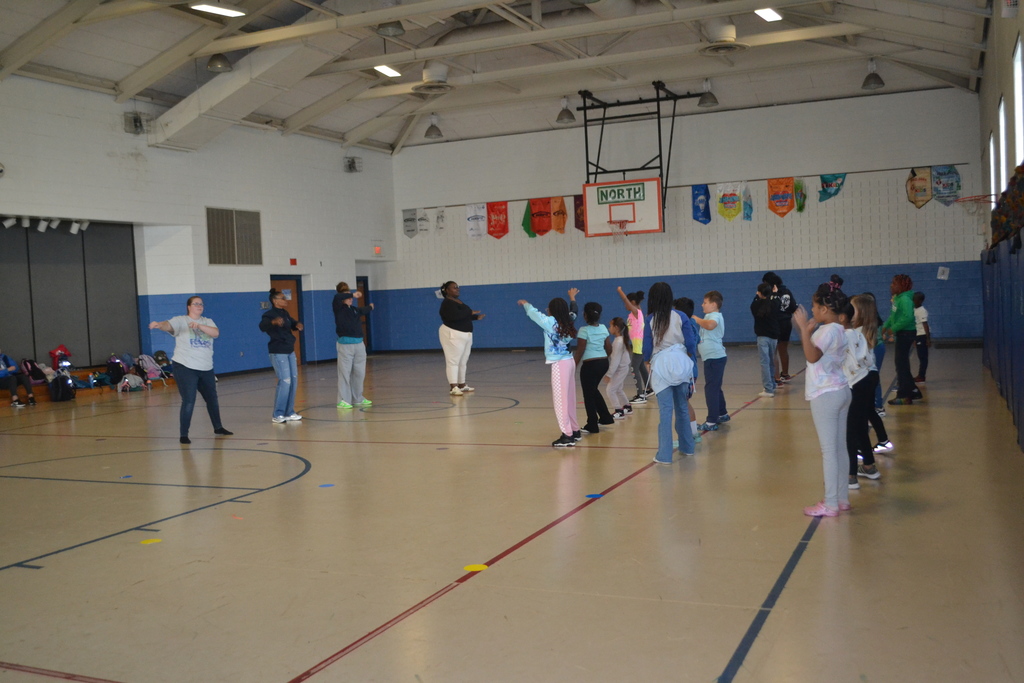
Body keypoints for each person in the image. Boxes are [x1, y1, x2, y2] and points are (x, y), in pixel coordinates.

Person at [792, 282, 852, 517]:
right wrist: (807, 331)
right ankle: (842, 498)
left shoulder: (826, 331)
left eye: (815, 306)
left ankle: (830, 503)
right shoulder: (839, 329)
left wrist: (804, 330)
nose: (812, 309)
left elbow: (812, 356)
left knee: (829, 450)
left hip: (825, 394)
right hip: (841, 390)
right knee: (839, 448)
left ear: (825, 309)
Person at [148, 296, 232, 445]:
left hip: (206, 367)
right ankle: (184, 434)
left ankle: (218, 427)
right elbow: (168, 325)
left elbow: (215, 333)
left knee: (212, 398)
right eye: (196, 304)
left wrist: (199, 326)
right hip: (185, 367)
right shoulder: (181, 320)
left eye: (201, 304)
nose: (199, 306)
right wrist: (159, 325)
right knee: (189, 400)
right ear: (189, 306)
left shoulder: (208, 321)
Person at [518, 289, 579, 447]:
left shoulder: (549, 322)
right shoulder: (569, 319)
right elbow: (574, 310)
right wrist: (572, 298)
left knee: (560, 401)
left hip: (559, 364)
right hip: (570, 361)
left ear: (552, 311)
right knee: (570, 398)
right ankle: (575, 430)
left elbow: (534, 314)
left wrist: (526, 304)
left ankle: (567, 435)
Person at [644, 282, 696, 464]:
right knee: (682, 407)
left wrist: (647, 361)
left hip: (661, 364)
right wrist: (685, 357)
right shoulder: (681, 316)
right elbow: (691, 342)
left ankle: (664, 455)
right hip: (680, 363)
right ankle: (688, 447)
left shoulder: (650, 319)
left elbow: (646, 347)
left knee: (665, 411)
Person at [839, 300, 881, 490]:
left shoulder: (847, 335)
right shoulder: (859, 334)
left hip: (856, 383)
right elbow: (868, 359)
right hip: (868, 379)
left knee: (850, 429)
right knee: (860, 424)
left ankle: (850, 475)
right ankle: (869, 466)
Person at [259, 288, 304, 424]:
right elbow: (262, 326)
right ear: (275, 301)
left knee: (294, 381)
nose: (285, 301)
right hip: (278, 351)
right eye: (282, 298)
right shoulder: (269, 315)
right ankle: (278, 413)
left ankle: (289, 412)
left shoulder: (285, 313)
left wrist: (297, 325)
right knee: (285, 381)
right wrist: (273, 322)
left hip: (289, 350)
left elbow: (291, 323)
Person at [574, 301, 615, 434]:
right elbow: (609, 348)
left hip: (590, 366)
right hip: (603, 363)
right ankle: (605, 417)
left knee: (589, 395)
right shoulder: (603, 328)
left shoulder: (583, 330)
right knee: (592, 390)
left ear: (585, 315)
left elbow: (580, 351)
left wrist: (573, 366)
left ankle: (592, 424)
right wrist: (603, 357)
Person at [438, 281, 485, 396]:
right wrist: (470, 312)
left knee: (463, 361)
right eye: (454, 288)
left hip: (465, 335)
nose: (457, 289)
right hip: (452, 334)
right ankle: (453, 387)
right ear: (447, 291)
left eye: (457, 287)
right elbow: (454, 316)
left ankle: (462, 385)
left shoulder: (457, 301)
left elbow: (463, 316)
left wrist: (474, 317)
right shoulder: (447, 303)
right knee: (453, 361)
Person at [333, 282, 374, 409]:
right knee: (345, 373)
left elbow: (363, 310)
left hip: (359, 345)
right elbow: (337, 297)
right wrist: (353, 294)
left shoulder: (354, 310)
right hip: (346, 346)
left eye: (351, 297)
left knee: (359, 373)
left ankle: (357, 398)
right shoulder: (338, 307)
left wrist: (370, 307)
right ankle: (343, 400)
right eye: (348, 296)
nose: (351, 298)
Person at [881, 274, 919, 405]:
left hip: (906, 333)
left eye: (894, 283)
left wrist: (894, 329)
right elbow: (893, 316)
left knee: (901, 365)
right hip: (902, 333)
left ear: (902, 285)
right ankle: (913, 390)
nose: (891, 285)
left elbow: (907, 318)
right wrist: (885, 327)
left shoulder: (905, 300)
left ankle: (904, 395)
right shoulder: (897, 299)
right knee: (902, 364)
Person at [693, 290, 728, 431]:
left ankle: (712, 421)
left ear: (713, 305)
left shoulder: (715, 316)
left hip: (715, 357)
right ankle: (722, 413)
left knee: (711, 388)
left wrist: (696, 319)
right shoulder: (709, 315)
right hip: (711, 357)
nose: (702, 305)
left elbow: (710, 325)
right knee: (715, 386)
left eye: (705, 302)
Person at [616, 288, 652, 403]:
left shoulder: (636, 312)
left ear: (632, 302)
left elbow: (625, 299)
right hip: (637, 345)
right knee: (641, 367)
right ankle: (649, 388)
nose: (625, 305)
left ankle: (640, 395)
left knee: (634, 368)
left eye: (626, 303)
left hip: (639, 345)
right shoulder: (633, 314)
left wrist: (620, 291)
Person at [673, 297, 701, 444]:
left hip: (686, 371)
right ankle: (693, 433)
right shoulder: (693, 324)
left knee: (681, 405)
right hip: (692, 370)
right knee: (684, 403)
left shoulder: (683, 327)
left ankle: (686, 437)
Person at [762, 272, 797, 382]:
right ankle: (785, 374)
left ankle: (776, 377)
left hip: (776, 323)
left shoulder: (772, 294)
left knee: (773, 351)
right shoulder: (787, 291)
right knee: (783, 349)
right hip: (786, 323)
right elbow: (793, 307)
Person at [751, 282, 780, 398]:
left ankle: (768, 389)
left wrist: (757, 295)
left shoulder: (755, 305)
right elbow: (776, 300)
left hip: (762, 337)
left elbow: (755, 301)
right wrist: (775, 293)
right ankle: (772, 384)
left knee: (765, 362)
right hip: (774, 337)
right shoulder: (775, 303)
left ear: (759, 293)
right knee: (771, 361)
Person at [603, 317, 631, 419]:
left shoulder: (618, 342)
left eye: (610, 326)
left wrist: (609, 374)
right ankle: (627, 406)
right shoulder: (620, 340)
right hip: (623, 368)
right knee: (618, 389)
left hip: (620, 369)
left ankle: (619, 411)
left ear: (616, 328)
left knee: (610, 390)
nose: (609, 328)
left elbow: (615, 361)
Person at [913, 291, 931, 382]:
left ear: (920, 301)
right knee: (920, 356)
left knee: (923, 357)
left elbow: (925, 325)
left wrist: (928, 338)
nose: (913, 301)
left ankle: (921, 376)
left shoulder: (922, 311)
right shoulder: (915, 309)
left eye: (915, 300)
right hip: (918, 335)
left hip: (922, 335)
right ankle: (921, 375)